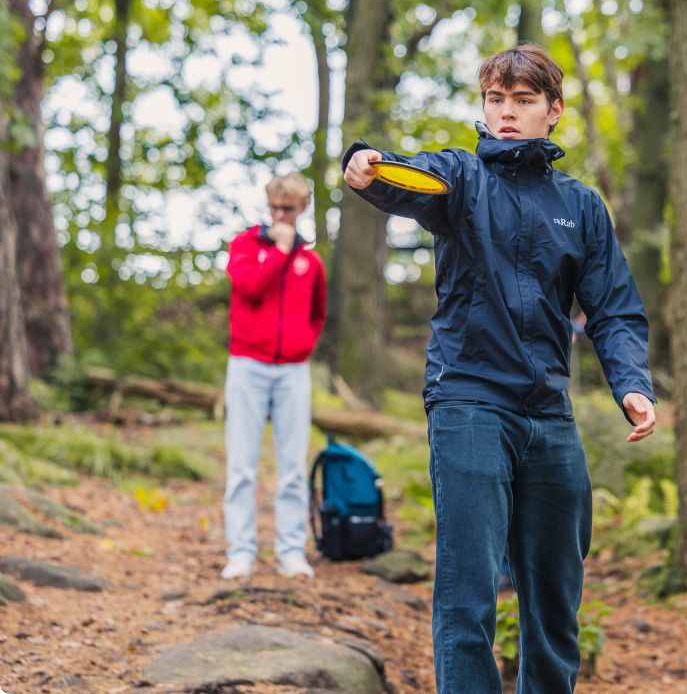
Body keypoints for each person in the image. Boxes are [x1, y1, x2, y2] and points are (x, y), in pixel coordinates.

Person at [342, 44, 656, 693]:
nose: (506, 113)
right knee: (469, 593)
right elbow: (410, 178)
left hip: (548, 412)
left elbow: (615, 308)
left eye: (522, 100)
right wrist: (368, 164)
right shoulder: (460, 180)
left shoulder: (582, 206)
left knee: (554, 600)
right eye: (495, 99)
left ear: (554, 110)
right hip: (469, 401)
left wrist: (632, 385)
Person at [220, 172, 327, 580]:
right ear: (268, 206)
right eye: (276, 207)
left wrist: (304, 345)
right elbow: (249, 287)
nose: (281, 215)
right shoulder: (245, 246)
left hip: (293, 371)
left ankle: (290, 552)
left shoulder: (312, 262)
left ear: (302, 209)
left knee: (293, 467)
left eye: (290, 208)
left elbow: (318, 313)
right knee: (242, 465)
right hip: (247, 365)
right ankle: (241, 552)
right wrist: (279, 253)